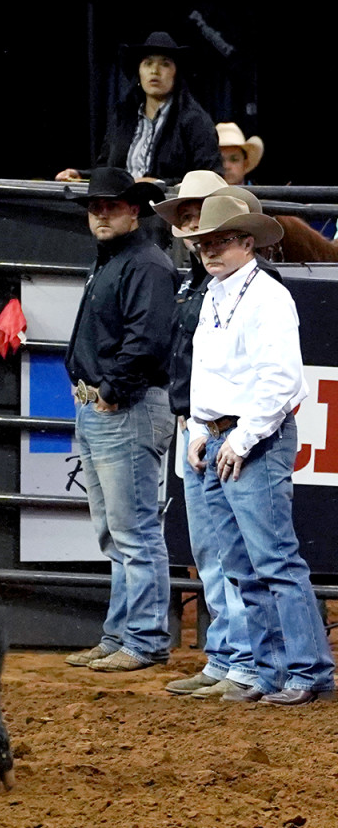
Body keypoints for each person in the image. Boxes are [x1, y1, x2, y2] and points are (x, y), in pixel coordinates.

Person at [184, 195, 336, 705]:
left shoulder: (268, 297)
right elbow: (205, 374)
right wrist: (200, 431)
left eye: (221, 240)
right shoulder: (215, 295)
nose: (210, 250)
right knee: (242, 563)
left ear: (247, 243)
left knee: (272, 558)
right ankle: (270, 671)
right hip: (224, 433)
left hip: (255, 436)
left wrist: (242, 438)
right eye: (205, 242)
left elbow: (281, 382)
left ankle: (309, 671)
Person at [153, 173, 268, 699]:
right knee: (211, 550)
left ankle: (242, 658)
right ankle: (225, 655)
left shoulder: (237, 287)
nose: (189, 222)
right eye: (184, 214)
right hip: (198, 425)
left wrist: (225, 430)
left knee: (233, 553)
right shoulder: (203, 282)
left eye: (198, 210)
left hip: (225, 429)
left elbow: (255, 373)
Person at [63, 167, 177, 673]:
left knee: (132, 531)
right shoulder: (122, 260)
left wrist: (111, 391)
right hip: (106, 407)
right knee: (119, 530)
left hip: (122, 407)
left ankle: (145, 638)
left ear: (134, 209)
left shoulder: (145, 265)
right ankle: (123, 633)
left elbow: (146, 341)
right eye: (94, 206)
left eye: (111, 205)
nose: (101, 213)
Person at [56, 32, 222, 185]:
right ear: (139, 73)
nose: (155, 71)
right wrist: (81, 175)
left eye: (165, 64)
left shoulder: (195, 120)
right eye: (148, 63)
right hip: (123, 210)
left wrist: (159, 184)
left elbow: (212, 178)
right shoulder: (123, 116)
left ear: (176, 74)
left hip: (169, 212)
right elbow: (107, 169)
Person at [215, 122, 263, 187]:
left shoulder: (261, 196)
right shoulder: (200, 196)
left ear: (245, 164)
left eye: (234, 159)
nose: (226, 166)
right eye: (220, 160)